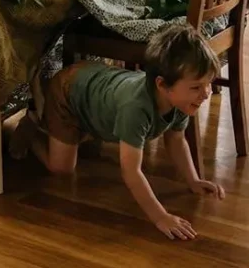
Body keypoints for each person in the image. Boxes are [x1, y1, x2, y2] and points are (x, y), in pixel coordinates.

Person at [14, 24, 226, 240]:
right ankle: (32, 130)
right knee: (61, 168)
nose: (206, 93)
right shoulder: (136, 109)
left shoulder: (181, 101)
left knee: (93, 140)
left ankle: (71, 130)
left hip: (94, 85)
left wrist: (193, 180)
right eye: (196, 87)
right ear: (162, 85)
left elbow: (176, 141)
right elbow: (131, 171)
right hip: (67, 91)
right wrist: (160, 217)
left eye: (208, 84)